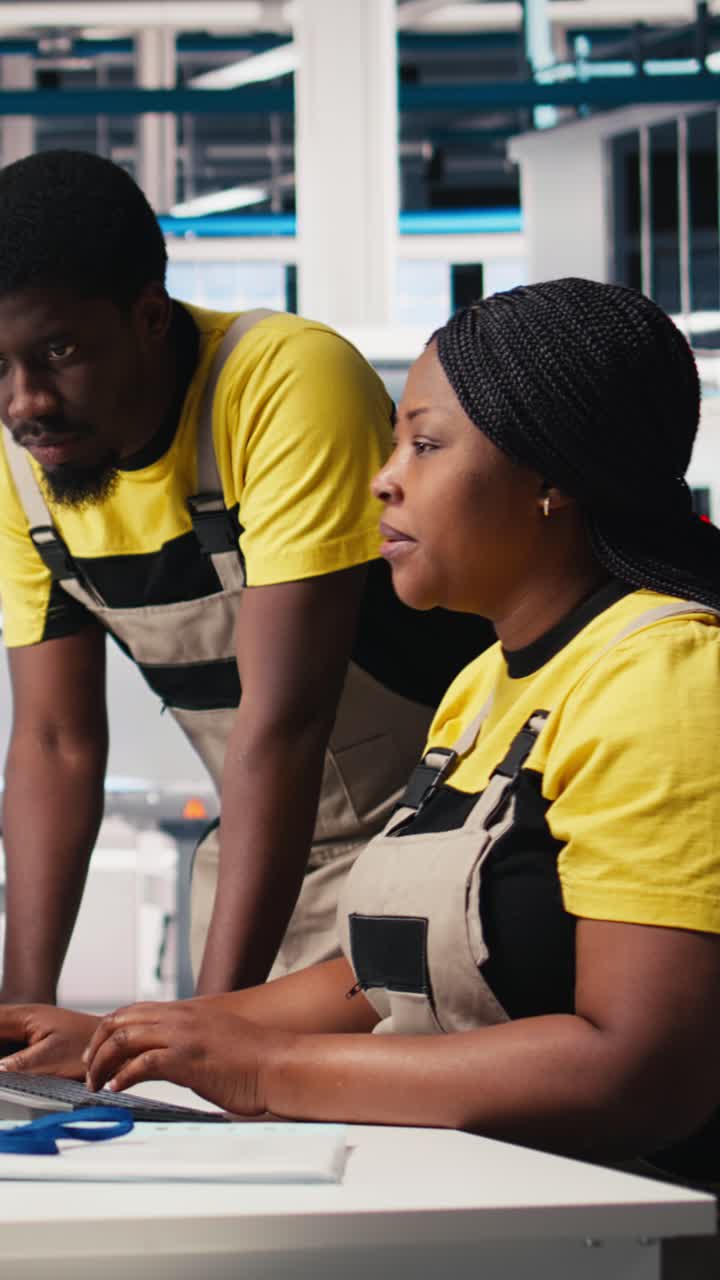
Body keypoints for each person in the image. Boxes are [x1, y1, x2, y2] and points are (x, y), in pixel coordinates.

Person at [3, 277, 720, 1192]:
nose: (385, 477)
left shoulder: (663, 677)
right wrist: (148, 1035)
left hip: (633, 1214)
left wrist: (266, 1072)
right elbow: (391, 965)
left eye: (424, 445)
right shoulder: (484, 685)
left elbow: (642, 1070)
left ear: (552, 480)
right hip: (494, 1188)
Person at [0, 149, 493, 1030]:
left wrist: (207, 1027)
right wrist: (18, 1016)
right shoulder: (28, 468)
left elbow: (285, 721)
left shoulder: (279, 380)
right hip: (264, 862)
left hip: (436, 849)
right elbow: (53, 742)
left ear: (149, 316)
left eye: (60, 350)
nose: (25, 401)